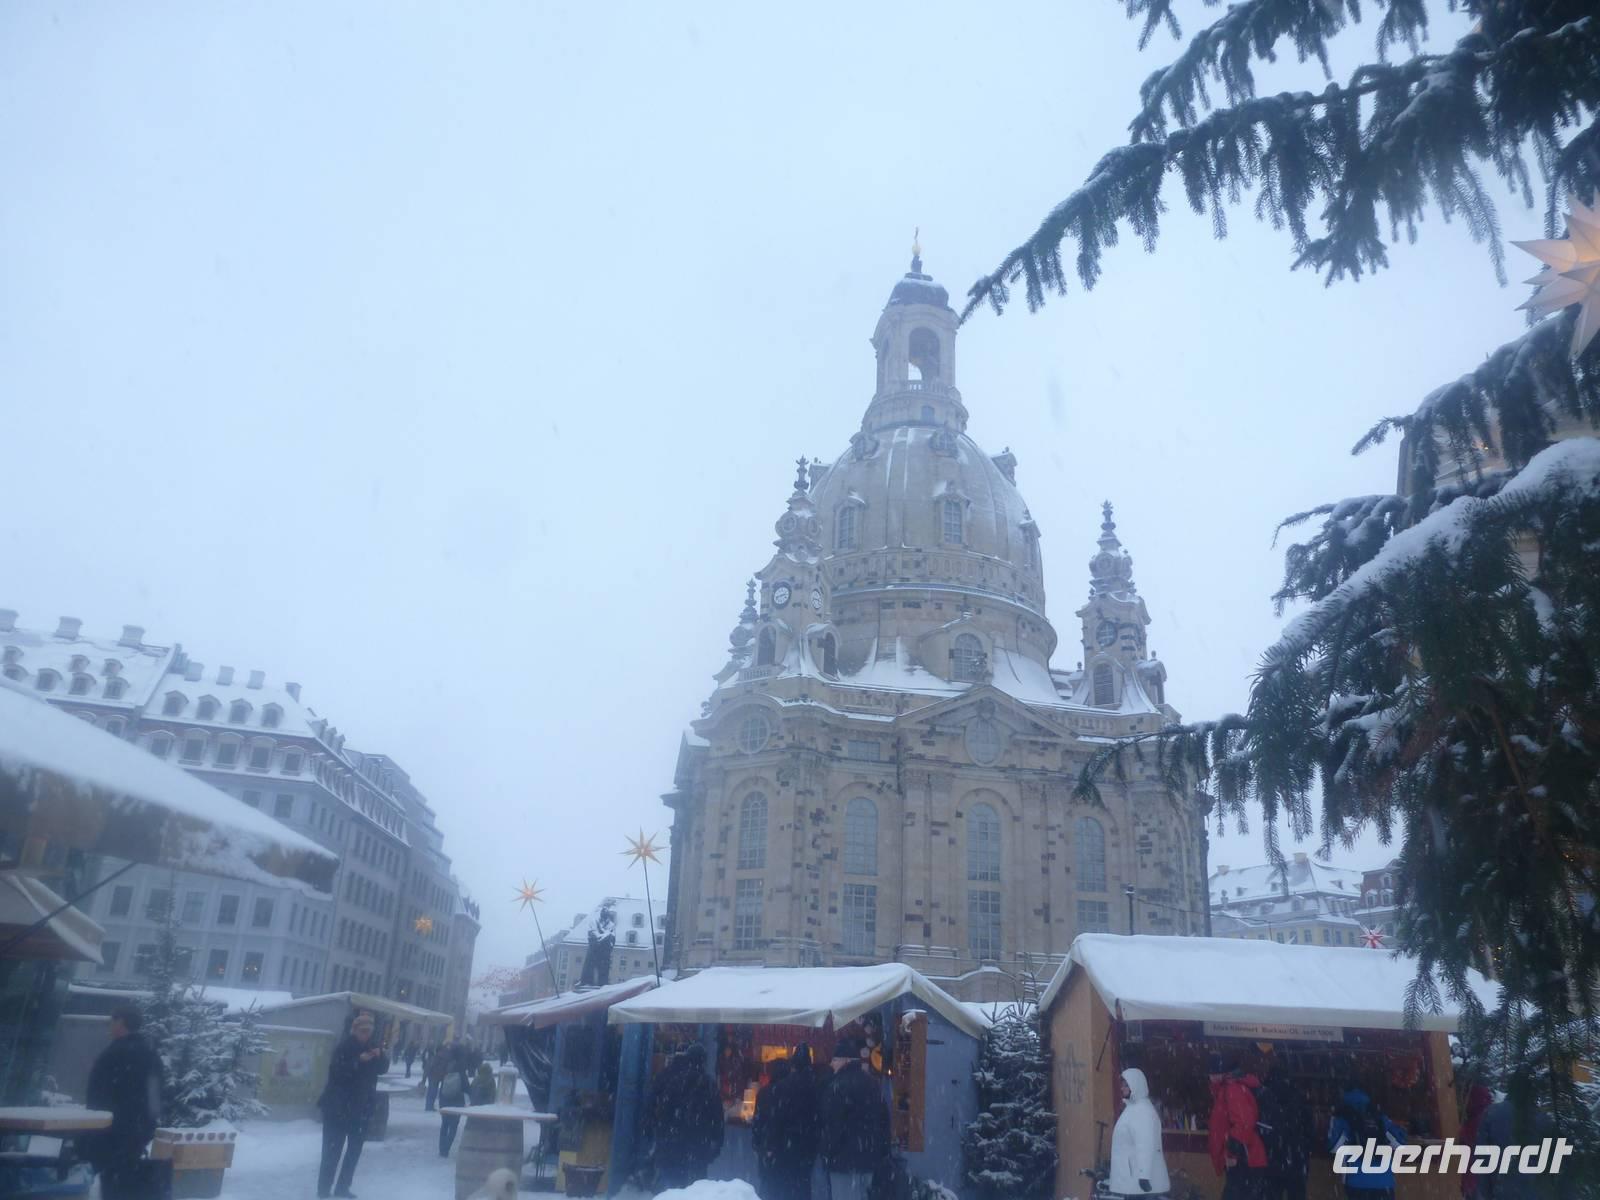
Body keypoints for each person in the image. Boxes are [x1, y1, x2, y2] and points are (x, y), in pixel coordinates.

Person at [82, 1004, 165, 1200]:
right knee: (125, 1184)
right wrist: (146, 1128)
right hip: (136, 1132)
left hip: (110, 1131)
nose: (109, 1025)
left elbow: (97, 1096)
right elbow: (156, 1097)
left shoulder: (114, 1054)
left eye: (112, 1020)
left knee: (111, 1182)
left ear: (121, 1022)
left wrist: (94, 1127)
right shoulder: (150, 1055)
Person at [316, 1009, 390, 1199]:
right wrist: (357, 1061)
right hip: (338, 1108)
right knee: (332, 1152)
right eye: (363, 1031)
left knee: (353, 1152)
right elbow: (336, 1073)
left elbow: (382, 1069)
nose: (366, 1034)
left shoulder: (372, 1047)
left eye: (369, 1031)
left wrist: (380, 1055)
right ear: (354, 1030)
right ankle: (324, 1191)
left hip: (361, 1108)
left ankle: (343, 1187)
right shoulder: (344, 1047)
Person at [819, 1034, 890, 1200]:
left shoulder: (836, 1087)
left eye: (835, 1059)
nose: (831, 1064)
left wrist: (827, 1153)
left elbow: (832, 1125)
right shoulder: (872, 1084)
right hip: (868, 1161)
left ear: (846, 1060)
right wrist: (880, 1152)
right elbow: (884, 1121)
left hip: (843, 1163)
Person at [648, 1044, 725, 1189]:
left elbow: (663, 1114)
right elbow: (718, 1119)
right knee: (696, 1188)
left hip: (674, 1146)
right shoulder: (709, 1085)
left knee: (673, 1188)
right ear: (704, 1061)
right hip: (699, 1148)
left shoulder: (675, 1082)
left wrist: (661, 1139)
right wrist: (715, 1147)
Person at [1328, 1087, 1407, 1200]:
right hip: (1384, 1181)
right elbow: (1400, 1144)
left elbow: (1334, 1147)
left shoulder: (1341, 1115)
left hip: (1357, 1180)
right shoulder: (1379, 1116)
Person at [1208, 1059, 1267, 1200]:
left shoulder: (1232, 1089)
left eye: (1212, 1072)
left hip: (1244, 1158)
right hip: (1247, 1157)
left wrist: (1231, 1153)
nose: (1210, 1077)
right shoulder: (1231, 1089)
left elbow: (1244, 1123)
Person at [1255, 1065, 1314, 1200]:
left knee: (1271, 1195)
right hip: (1296, 1161)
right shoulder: (1300, 1098)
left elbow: (1257, 1128)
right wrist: (1303, 1149)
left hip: (1271, 1161)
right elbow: (1310, 1131)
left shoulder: (1264, 1099)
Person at [1110, 1068, 1169, 1200]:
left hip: (1139, 1184)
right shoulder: (1133, 1109)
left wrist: (1144, 1176)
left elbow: (1145, 1145)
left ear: (1135, 1086)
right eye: (1122, 1085)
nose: (1122, 1088)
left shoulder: (1142, 1111)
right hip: (1134, 1182)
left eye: (1126, 1085)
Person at [1458, 1086, 1494, 1199]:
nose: (1464, 1101)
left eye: (1466, 1098)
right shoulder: (1490, 1118)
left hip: (1475, 1180)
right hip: (1484, 1180)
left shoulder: (1474, 1123)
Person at [438, 1046, 471, 1157]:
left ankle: (441, 1149)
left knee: (444, 1125)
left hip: (444, 1099)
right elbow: (466, 1087)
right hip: (457, 1101)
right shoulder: (461, 1068)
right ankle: (446, 1148)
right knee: (453, 1126)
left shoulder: (445, 1064)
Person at [425, 1041, 449, 1112]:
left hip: (433, 1076)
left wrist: (425, 1078)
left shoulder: (435, 1056)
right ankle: (434, 1106)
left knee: (431, 1092)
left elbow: (429, 1067)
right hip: (441, 1076)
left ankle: (429, 1106)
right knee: (437, 1092)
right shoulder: (446, 1057)